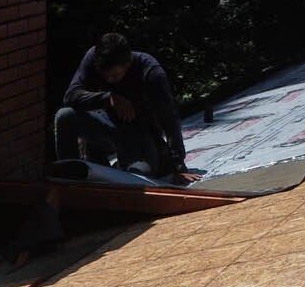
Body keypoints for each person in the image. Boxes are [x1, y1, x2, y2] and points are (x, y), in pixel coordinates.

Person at [54, 33, 197, 184]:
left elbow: (169, 118)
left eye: (115, 76)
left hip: (137, 134)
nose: (109, 80)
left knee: (138, 176)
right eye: (104, 76)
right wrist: (108, 98)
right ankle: (69, 179)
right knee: (64, 116)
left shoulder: (150, 72)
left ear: (128, 64)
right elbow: (70, 96)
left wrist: (177, 165)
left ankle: (120, 167)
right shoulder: (93, 57)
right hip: (104, 124)